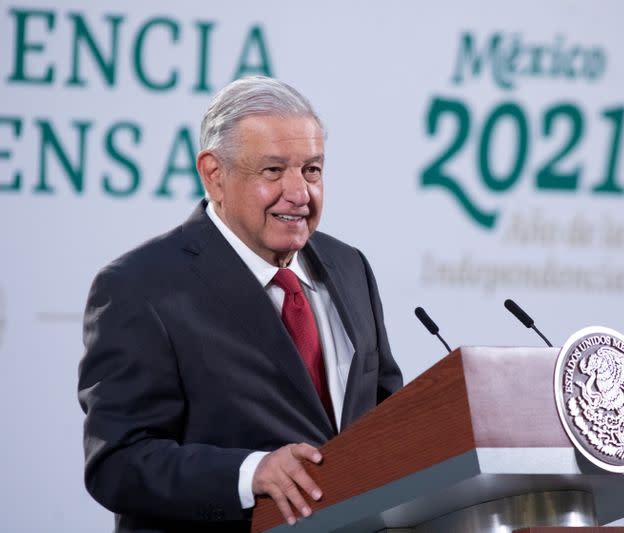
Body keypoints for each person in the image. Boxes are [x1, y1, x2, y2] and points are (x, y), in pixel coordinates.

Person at [78, 76, 403, 533]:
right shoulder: (139, 286)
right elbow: (118, 463)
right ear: (214, 174)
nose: (299, 193)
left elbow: (385, 417)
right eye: (273, 171)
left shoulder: (349, 267)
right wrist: (251, 475)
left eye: (312, 169)